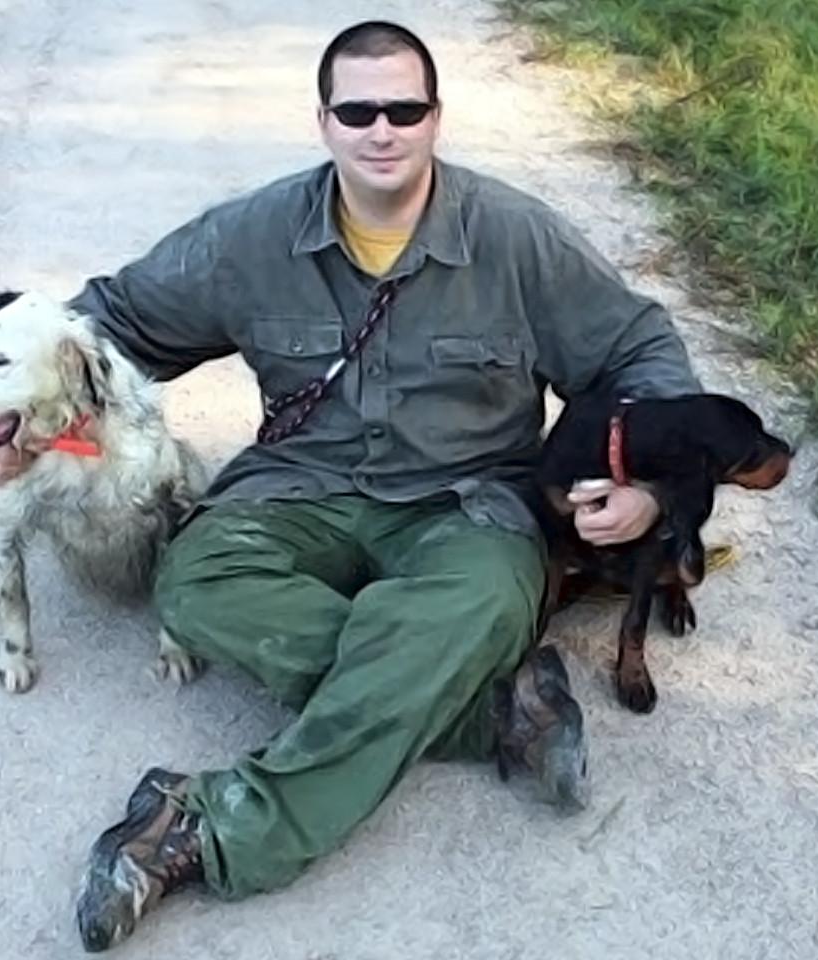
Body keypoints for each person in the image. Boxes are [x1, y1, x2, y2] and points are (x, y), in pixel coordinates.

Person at [65, 19, 702, 951]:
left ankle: (205, 827)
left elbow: (641, 352)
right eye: (357, 109)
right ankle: (490, 708)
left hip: (468, 508)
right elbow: (105, 324)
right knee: (195, 580)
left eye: (404, 108)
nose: (382, 129)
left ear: (436, 118)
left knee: (485, 598)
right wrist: (32, 420)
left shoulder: (515, 237)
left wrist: (643, 484)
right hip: (298, 489)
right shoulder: (251, 236)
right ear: (323, 122)